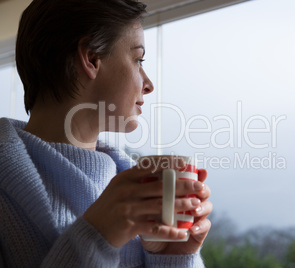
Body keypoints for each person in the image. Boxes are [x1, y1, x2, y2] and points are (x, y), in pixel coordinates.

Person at [0, 0, 212, 267]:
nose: (148, 85)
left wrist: (173, 257)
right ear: (91, 58)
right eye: (138, 59)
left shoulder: (135, 194)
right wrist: (97, 236)